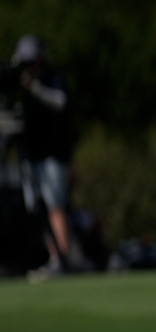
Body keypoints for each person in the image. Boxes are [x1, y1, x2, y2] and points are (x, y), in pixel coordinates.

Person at [10, 35, 76, 278]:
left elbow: (61, 102)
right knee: (40, 208)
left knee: (55, 206)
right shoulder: (18, 83)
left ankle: (62, 259)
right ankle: (54, 257)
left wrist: (34, 89)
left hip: (53, 153)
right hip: (31, 152)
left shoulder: (52, 78)